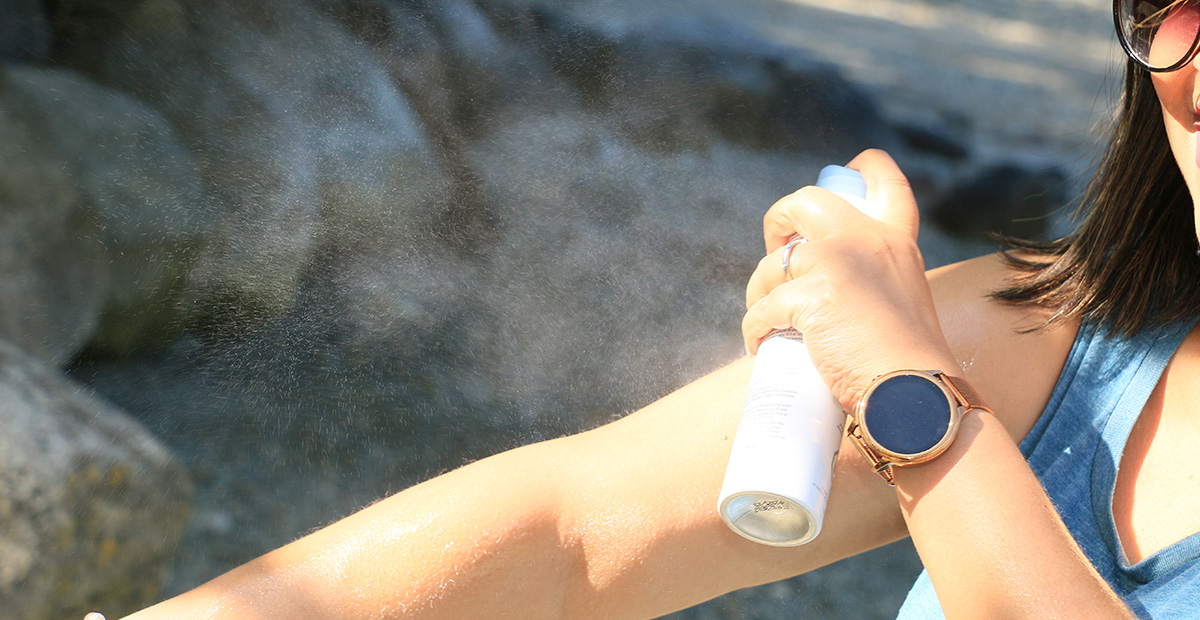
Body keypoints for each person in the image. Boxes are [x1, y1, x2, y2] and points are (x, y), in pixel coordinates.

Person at [110, 1, 1200, 618]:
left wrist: (911, 402)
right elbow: (571, 532)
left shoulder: (932, 381)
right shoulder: (1068, 332)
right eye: (1173, 0)